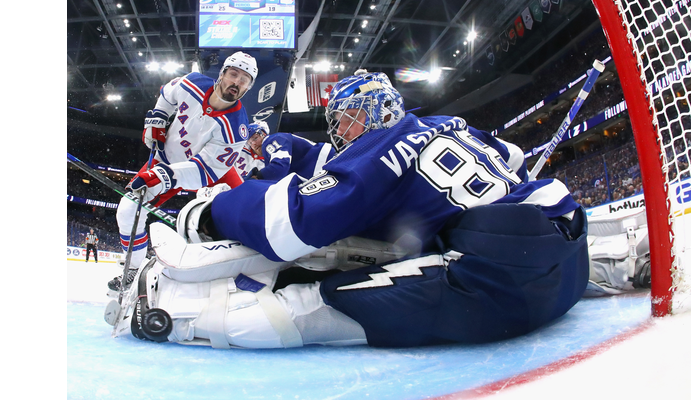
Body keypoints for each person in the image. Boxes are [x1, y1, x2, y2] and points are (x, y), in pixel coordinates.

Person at [112, 70, 588, 350]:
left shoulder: (387, 146)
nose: (340, 130)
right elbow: (513, 158)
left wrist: (211, 211)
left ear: (375, 109)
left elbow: (290, 223)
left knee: (314, 294)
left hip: (501, 286)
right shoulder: (448, 123)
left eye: (345, 117)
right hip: (565, 247)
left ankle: (180, 317)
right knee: (374, 242)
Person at [108, 51, 259, 295]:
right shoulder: (192, 82)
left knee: (246, 210)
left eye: (245, 80)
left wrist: (163, 178)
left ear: (249, 87)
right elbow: (167, 95)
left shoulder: (236, 129)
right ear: (222, 74)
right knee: (127, 211)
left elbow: (204, 170)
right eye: (233, 74)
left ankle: (244, 271)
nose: (237, 82)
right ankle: (133, 270)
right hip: (164, 160)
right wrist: (157, 118)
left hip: (208, 172)